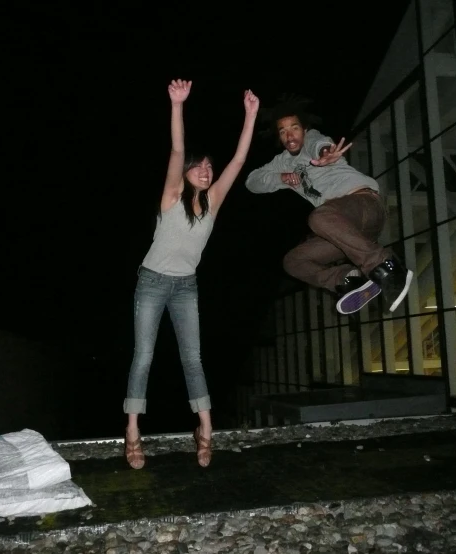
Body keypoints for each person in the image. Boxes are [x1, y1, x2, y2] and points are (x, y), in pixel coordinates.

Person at [124, 79, 259, 469]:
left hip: (186, 287)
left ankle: (205, 429)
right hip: (151, 282)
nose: (205, 170)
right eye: (198, 167)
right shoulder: (170, 197)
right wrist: (177, 105)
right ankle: (132, 432)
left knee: (193, 358)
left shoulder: (213, 202)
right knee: (143, 357)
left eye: (208, 166)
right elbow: (178, 148)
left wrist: (250, 115)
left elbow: (237, 161)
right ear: (185, 173)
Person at [244, 98, 413, 315]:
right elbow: (252, 182)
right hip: (345, 229)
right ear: (279, 136)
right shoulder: (281, 162)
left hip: (364, 205)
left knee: (319, 218)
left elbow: (321, 145)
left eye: (294, 129)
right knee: (294, 261)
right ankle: (349, 279)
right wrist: (282, 178)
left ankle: (387, 267)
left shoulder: (312, 139)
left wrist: (326, 154)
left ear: (304, 129)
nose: (290, 136)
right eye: (283, 131)